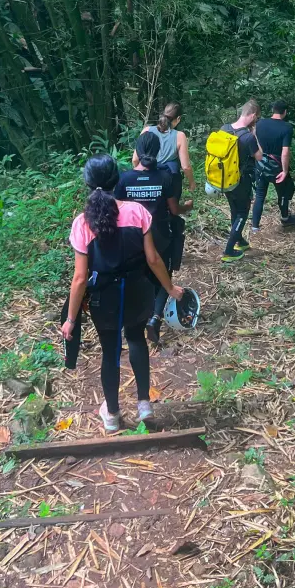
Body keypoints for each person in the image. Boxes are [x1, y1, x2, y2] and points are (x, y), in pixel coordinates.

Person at [61, 154, 184, 432]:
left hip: (105, 299)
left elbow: (80, 278)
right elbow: (153, 260)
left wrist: (70, 318)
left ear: (88, 185)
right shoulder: (138, 212)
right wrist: (169, 288)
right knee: (136, 339)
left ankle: (113, 415)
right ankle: (144, 406)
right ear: (117, 180)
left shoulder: (83, 223)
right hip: (139, 291)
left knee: (110, 351)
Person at [115, 132, 195, 344]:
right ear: (158, 151)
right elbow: (173, 209)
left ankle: (130, 323)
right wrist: (186, 207)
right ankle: (154, 319)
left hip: (131, 238)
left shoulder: (124, 179)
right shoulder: (164, 177)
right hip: (160, 235)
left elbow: (117, 210)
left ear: (138, 152)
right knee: (163, 275)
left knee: (134, 277)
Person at [133, 102, 195, 272]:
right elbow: (186, 166)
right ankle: (169, 253)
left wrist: (136, 177)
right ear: (178, 119)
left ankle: (145, 249)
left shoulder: (146, 131)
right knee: (170, 214)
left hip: (146, 176)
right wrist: (191, 182)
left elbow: (135, 160)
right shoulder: (179, 135)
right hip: (170, 179)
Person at [220, 99, 263, 263]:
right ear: (252, 115)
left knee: (234, 210)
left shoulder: (224, 129)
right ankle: (229, 251)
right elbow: (259, 156)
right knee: (243, 213)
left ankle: (240, 241)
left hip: (225, 180)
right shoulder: (248, 137)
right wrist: (255, 135)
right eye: (256, 118)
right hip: (241, 181)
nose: (256, 121)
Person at [252, 100, 295, 233]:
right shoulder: (287, 128)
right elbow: (285, 152)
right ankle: (285, 218)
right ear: (285, 112)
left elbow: (254, 137)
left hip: (261, 164)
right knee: (283, 194)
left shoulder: (260, 123)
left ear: (273, 110)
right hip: (277, 167)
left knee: (260, 195)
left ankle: (255, 226)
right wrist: (285, 171)